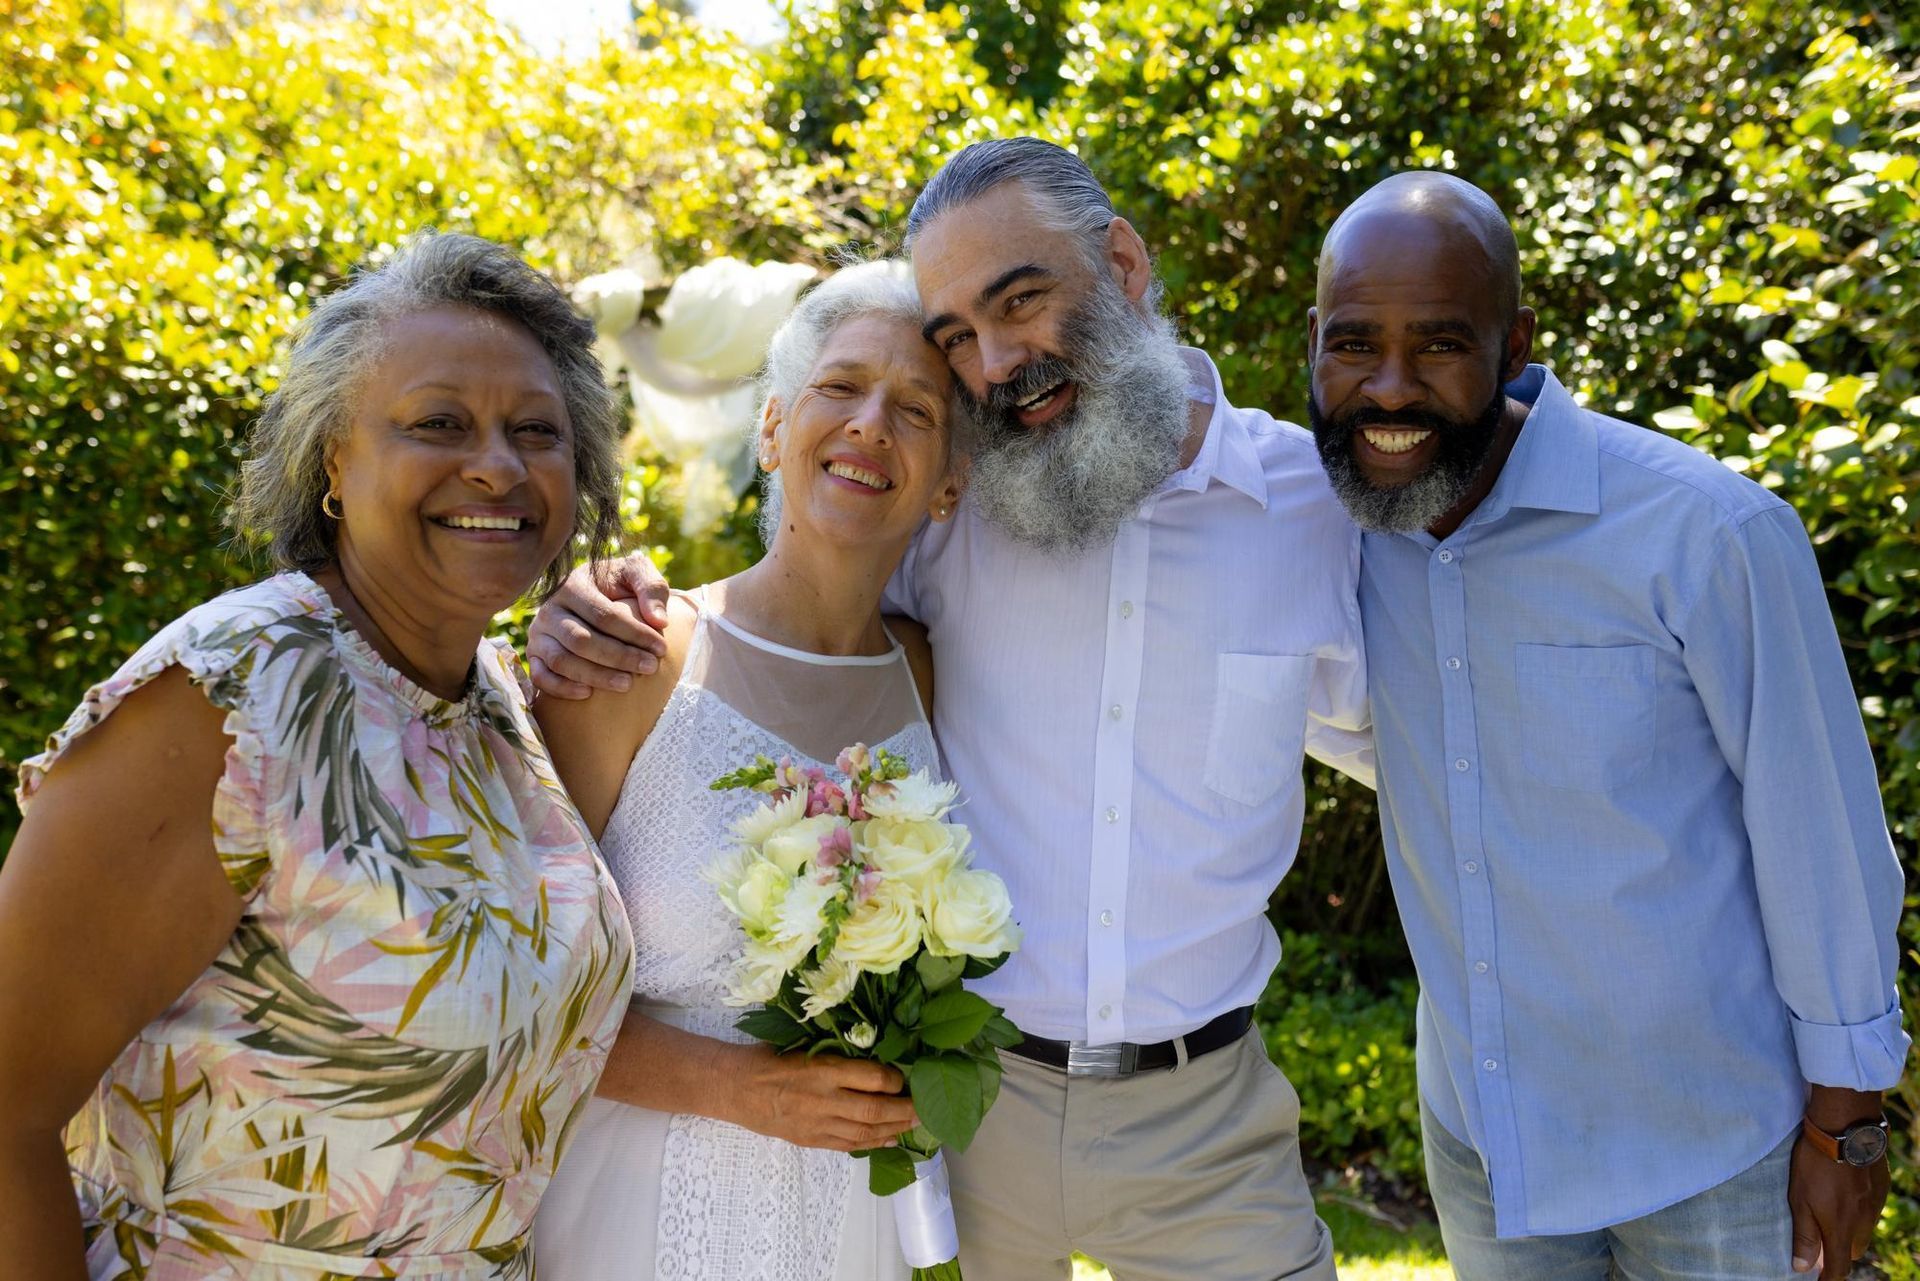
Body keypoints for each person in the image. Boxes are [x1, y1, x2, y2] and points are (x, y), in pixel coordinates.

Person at [528, 139, 1372, 1280]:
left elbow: (1429, 747)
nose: (996, 360)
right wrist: (591, 597)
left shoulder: (1313, 513)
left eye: (1020, 302)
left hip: (1207, 1121)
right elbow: (797, 595)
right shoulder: (945, 534)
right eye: (960, 335)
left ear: (1122, 262)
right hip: (975, 1108)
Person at [1305, 171, 1908, 1280]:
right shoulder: (1330, 528)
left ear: (1515, 340)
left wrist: (1848, 1121)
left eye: (1439, 344)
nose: (1390, 387)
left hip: (1719, 1152)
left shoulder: (1708, 533)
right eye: (1354, 344)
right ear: (1315, 344)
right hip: (1488, 1149)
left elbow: (1820, 840)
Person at [0, 233, 637, 1280]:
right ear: (334, 458)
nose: (499, 465)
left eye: (537, 431)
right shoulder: (232, 690)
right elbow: (8, 1113)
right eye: (440, 422)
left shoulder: (493, 706)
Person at [530, 259, 963, 1280]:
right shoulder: (632, 655)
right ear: (772, 429)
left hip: (850, 1215)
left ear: (951, 483)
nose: (870, 425)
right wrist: (736, 1090)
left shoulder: (928, 675)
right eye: (840, 387)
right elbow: (512, 983)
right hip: (637, 1208)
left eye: (917, 408)